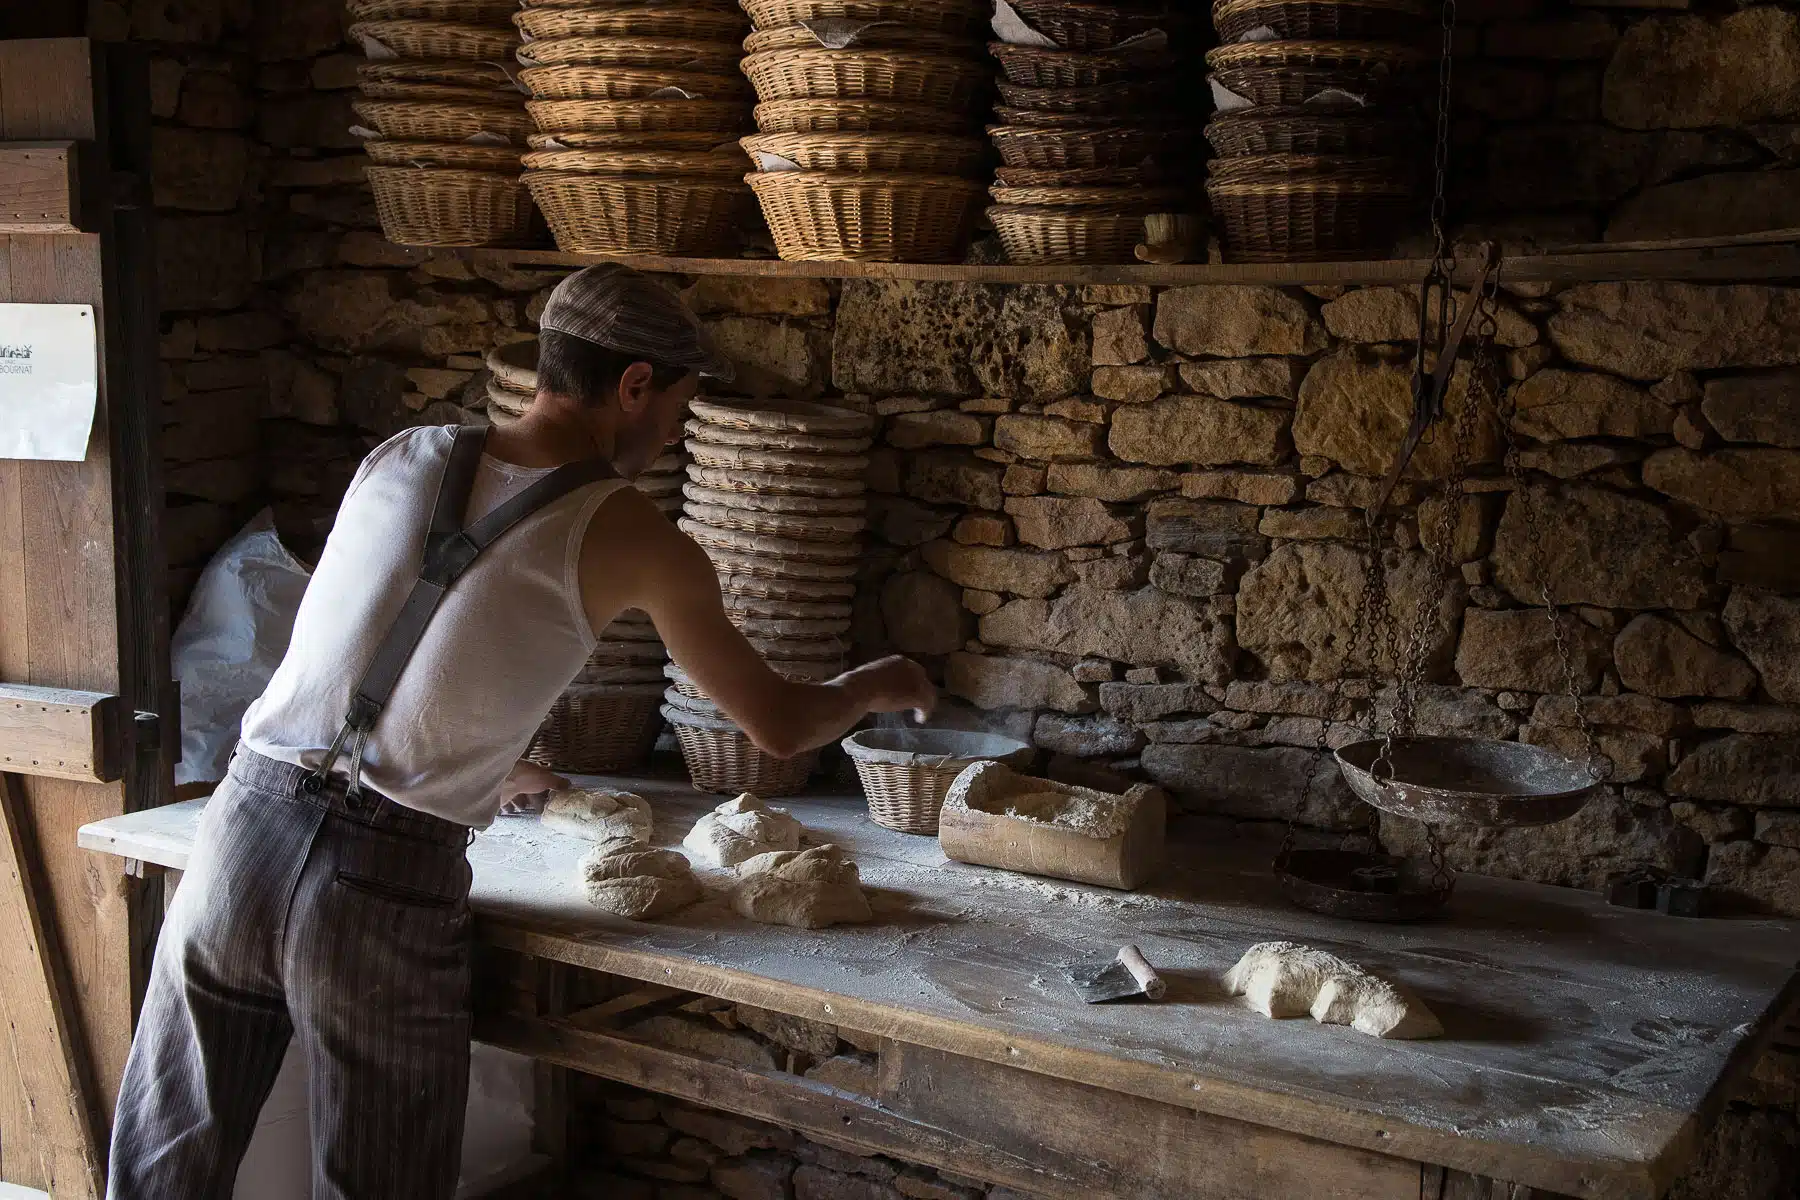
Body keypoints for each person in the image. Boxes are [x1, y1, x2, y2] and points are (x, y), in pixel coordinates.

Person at [107, 265, 936, 1199]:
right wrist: (874, 684)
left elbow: (366, 658)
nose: (673, 433)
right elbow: (777, 726)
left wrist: (489, 764)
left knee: (162, 1168)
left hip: (245, 827)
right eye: (677, 406)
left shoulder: (405, 452)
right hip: (376, 886)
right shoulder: (627, 531)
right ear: (632, 385)